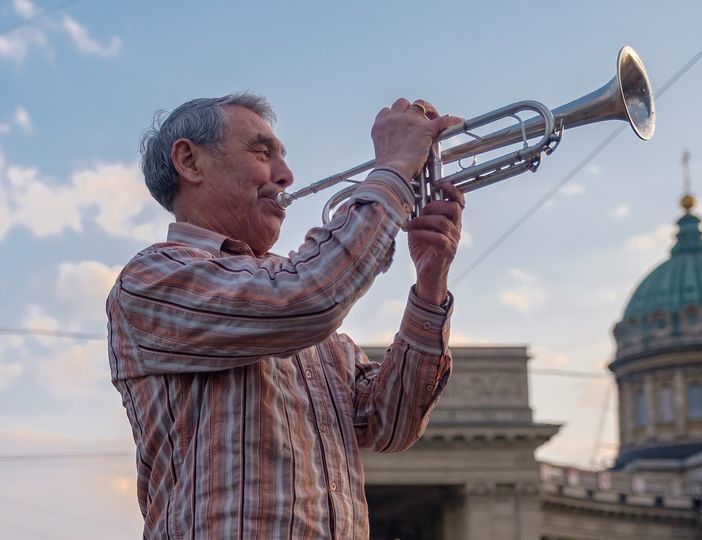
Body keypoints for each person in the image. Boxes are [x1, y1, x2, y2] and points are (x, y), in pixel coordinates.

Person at [107, 93, 465, 538]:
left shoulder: (298, 300)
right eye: (262, 152)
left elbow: (391, 425)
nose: (286, 174)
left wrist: (430, 284)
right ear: (190, 161)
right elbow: (310, 297)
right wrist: (391, 170)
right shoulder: (153, 277)